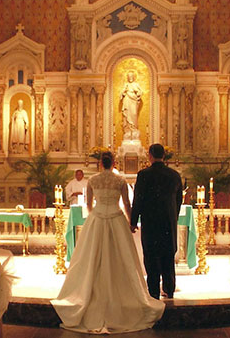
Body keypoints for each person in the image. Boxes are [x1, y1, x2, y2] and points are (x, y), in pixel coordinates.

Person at [52, 152, 164, 334]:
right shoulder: (120, 181)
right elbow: (127, 204)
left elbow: (89, 204)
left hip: (96, 219)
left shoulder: (93, 180)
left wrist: (95, 216)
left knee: (91, 258)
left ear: (100, 163)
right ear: (113, 162)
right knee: (120, 258)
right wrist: (131, 222)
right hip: (116, 219)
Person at [131, 143, 183, 299]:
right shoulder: (174, 175)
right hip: (168, 221)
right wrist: (174, 215)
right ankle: (169, 288)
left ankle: (153, 290)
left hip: (151, 221)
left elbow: (138, 200)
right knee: (168, 255)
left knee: (151, 255)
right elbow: (179, 200)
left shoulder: (144, 175)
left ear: (150, 156)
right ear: (164, 156)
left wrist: (133, 221)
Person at [121, 70, 142, 141]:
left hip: (133, 101)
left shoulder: (136, 84)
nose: (130, 77)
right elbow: (121, 93)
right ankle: (128, 130)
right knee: (127, 115)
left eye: (131, 76)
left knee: (134, 114)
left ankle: (134, 129)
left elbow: (140, 92)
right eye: (129, 76)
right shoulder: (126, 85)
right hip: (127, 100)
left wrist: (138, 93)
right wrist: (123, 92)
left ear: (134, 77)